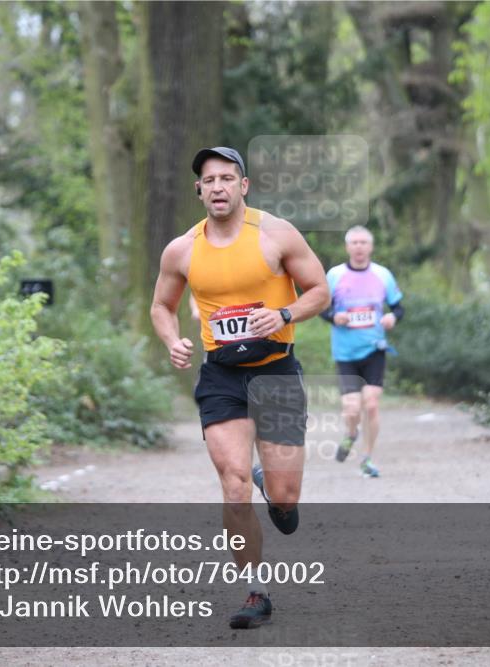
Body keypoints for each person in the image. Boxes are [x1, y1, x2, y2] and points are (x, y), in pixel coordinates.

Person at [150, 146, 330, 629]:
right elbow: (162, 306)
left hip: (276, 371)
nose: (218, 187)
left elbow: (320, 291)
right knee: (232, 485)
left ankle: (272, 487)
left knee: (285, 498)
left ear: (243, 186)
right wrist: (172, 341)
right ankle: (256, 590)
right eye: (209, 180)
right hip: (221, 376)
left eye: (227, 178)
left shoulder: (276, 234)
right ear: (199, 190)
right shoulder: (182, 249)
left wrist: (285, 313)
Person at [321, 225, 403, 478]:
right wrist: (334, 317)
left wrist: (392, 318)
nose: (359, 247)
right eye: (354, 243)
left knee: (372, 404)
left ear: (371, 247)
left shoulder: (382, 275)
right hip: (345, 353)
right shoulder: (335, 275)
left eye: (363, 242)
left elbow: (398, 307)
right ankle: (351, 432)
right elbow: (321, 307)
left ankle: (366, 458)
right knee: (352, 408)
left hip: (374, 349)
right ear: (347, 247)